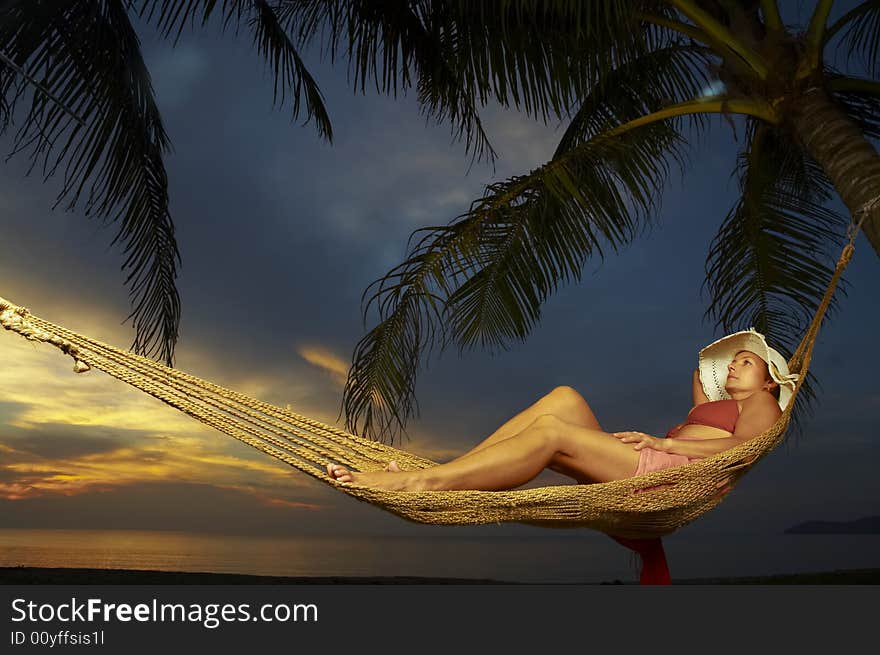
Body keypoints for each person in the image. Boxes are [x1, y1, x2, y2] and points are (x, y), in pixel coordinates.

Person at [326, 328, 799, 491]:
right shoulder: (717, 405)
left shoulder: (761, 403)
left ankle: (422, 481)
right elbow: (704, 394)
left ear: (770, 380)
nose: (734, 367)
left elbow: (742, 447)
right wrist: (709, 376)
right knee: (564, 398)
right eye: (732, 362)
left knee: (552, 429)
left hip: (664, 474)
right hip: (651, 463)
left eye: (746, 361)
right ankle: (449, 470)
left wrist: (662, 441)